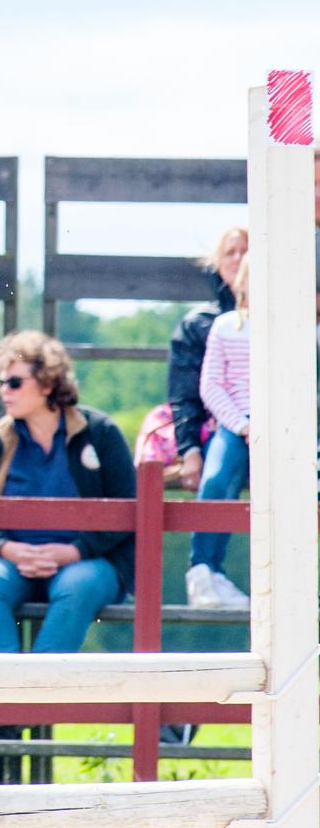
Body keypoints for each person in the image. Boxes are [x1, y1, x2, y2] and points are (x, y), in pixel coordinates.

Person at [0, 332, 135, 655]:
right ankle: (7, 691)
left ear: (48, 383)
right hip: (9, 561)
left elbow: (129, 510)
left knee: (77, 586)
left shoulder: (101, 433)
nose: (3, 390)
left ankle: (41, 690)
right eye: (1, 381)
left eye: (15, 382)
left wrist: (75, 551)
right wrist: (7, 548)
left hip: (86, 561)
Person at [186, 256, 251, 609]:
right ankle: (204, 569)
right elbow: (210, 385)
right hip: (236, 421)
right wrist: (241, 424)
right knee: (217, 481)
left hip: (284, 425)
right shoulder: (227, 326)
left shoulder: (298, 327)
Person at [168, 227, 248, 491]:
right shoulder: (198, 324)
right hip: (220, 429)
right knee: (217, 482)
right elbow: (185, 394)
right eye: (230, 252)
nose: (238, 259)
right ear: (217, 264)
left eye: (246, 251)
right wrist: (189, 450)